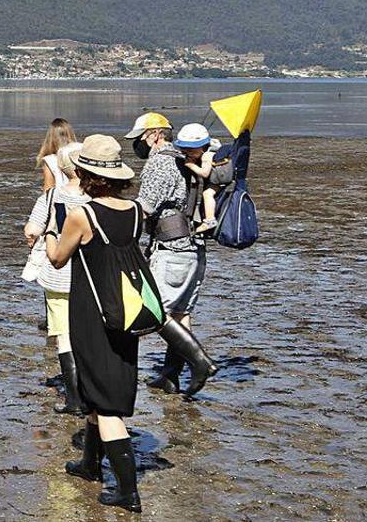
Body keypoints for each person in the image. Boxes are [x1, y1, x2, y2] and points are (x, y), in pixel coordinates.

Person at [45, 135, 217, 513]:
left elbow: (58, 258)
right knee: (100, 388)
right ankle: (90, 465)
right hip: (126, 309)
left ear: (86, 175)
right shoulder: (136, 211)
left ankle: (127, 491)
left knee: (107, 408)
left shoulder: (82, 215)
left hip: (93, 313)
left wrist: (47, 236)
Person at [131, 113, 217, 395]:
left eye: (141, 138)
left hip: (171, 248)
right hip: (194, 247)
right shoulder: (186, 158)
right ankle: (170, 375)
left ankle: (199, 361)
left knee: (153, 311)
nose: (138, 145)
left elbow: (145, 207)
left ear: (155, 134)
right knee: (181, 313)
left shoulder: (160, 162)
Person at [24, 143, 89, 412]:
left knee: (64, 335)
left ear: (62, 167)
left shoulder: (52, 196)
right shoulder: (97, 197)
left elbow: (31, 230)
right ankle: (91, 392)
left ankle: (73, 399)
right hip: (91, 274)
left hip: (59, 274)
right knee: (88, 334)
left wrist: (41, 236)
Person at [175, 123, 225, 234]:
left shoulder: (207, 155)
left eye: (191, 150)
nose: (188, 154)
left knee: (207, 194)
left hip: (217, 182)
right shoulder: (207, 150)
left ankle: (210, 220)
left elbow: (205, 173)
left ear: (203, 146)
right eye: (184, 150)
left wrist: (190, 165)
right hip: (216, 180)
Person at [37, 118, 78, 191]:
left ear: (50, 138)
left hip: (62, 199)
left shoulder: (50, 160)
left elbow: (48, 189)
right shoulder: (80, 155)